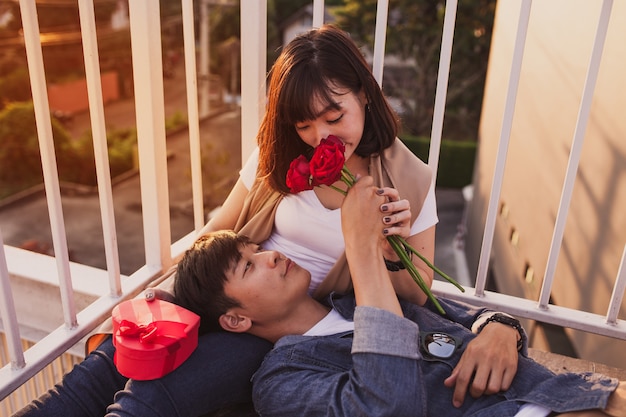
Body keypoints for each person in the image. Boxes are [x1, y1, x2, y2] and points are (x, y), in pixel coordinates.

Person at [14, 24, 519, 416]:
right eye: (305, 124)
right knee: (106, 364)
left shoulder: (410, 179)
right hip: (230, 276)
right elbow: (222, 225)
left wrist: (391, 248)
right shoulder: (278, 156)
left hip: (281, 323)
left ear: (364, 93)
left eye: (333, 116)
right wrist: (172, 283)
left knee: (153, 392)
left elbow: (419, 295)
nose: (321, 136)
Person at [174, 176, 626, 417]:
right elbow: (387, 408)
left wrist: (500, 328)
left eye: (260, 248)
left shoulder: (349, 301)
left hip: (561, 392)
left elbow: (461, 314)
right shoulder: (281, 383)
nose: (271, 256)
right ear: (235, 320)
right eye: (249, 265)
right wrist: (362, 252)